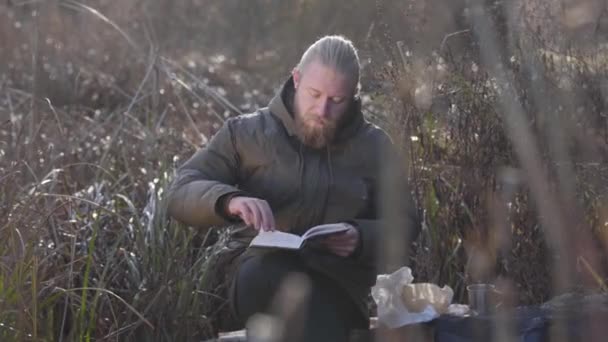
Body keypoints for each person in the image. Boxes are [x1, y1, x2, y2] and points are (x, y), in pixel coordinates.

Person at [167, 35, 420, 341]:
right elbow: (179, 190)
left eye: (336, 100)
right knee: (267, 276)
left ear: (353, 95)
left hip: (338, 285)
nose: (322, 110)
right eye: (314, 94)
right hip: (257, 275)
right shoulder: (247, 132)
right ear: (297, 79)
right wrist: (229, 201)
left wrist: (360, 236)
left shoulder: (374, 146)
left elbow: (406, 224)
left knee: (319, 305)